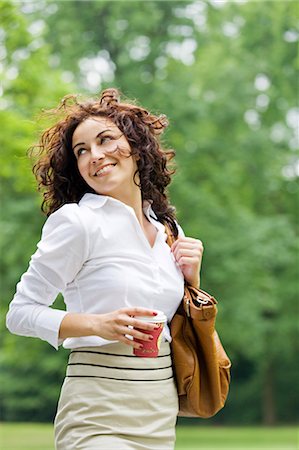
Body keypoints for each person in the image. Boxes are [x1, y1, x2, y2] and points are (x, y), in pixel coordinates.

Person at [6, 88, 204, 450]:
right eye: (82, 151)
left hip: (159, 413)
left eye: (105, 140)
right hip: (97, 411)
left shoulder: (168, 230)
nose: (94, 156)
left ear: (136, 146)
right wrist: (99, 324)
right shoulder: (77, 222)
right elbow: (19, 314)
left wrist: (193, 282)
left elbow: (175, 325)